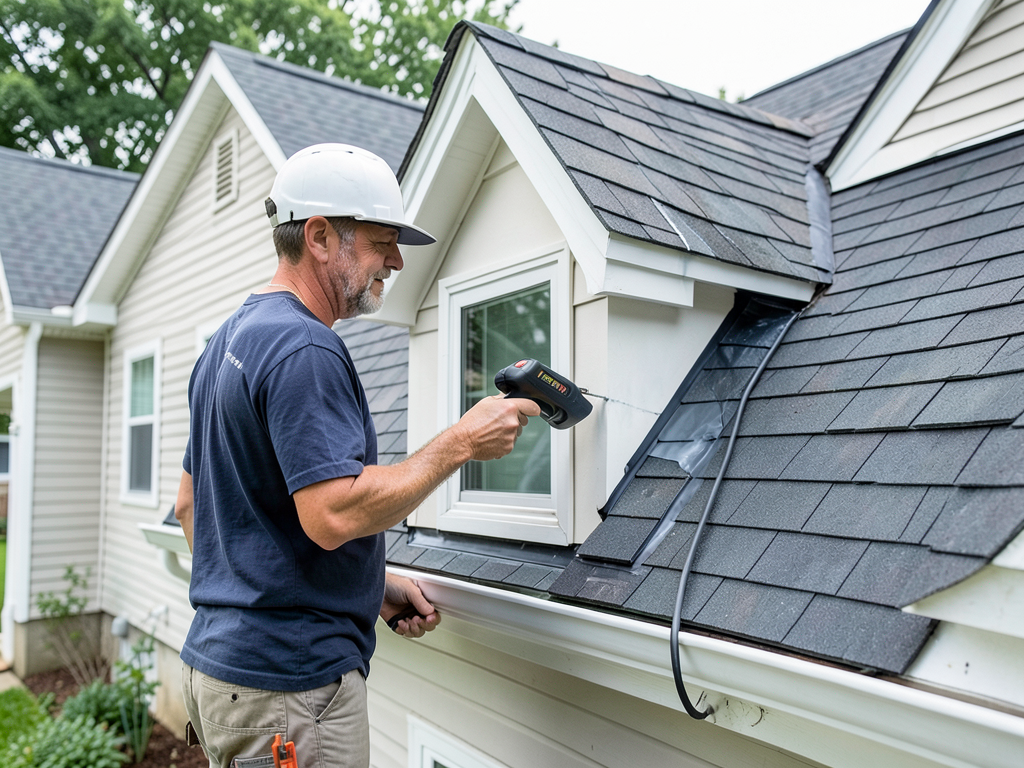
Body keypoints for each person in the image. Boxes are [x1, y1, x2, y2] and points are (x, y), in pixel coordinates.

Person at [174, 144, 539, 768]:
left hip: (223, 671)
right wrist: (462, 442)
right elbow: (332, 514)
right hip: (289, 690)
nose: (396, 262)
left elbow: (190, 508)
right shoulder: (303, 348)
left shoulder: (226, 343)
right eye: (381, 243)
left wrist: (369, 587)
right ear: (319, 236)